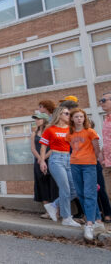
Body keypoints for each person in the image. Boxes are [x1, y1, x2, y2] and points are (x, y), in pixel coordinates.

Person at [39, 106, 81, 227]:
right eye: (66, 113)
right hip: (56, 160)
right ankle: (66, 217)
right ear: (59, 115)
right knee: (65, 189)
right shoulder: (50, 129)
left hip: (69, 159)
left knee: (75, 190)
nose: (69, 115)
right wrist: (42, 161)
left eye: (69, 114)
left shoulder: (71, 129)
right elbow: (43, 147)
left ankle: (53, 205)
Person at [67, 108, 104, 240]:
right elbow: (71, 148)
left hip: (89, 165)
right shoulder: (69, 134)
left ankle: (89, 223)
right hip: (74, 164)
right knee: (81, 193)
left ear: (84, 118)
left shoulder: (90, 131)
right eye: (76, 117)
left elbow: (97, 149)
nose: (79, 119)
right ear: (72, 119)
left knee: (90, 193)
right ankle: (97, 220)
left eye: (81, 117)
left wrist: (98, 161)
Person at [30, 112, 58, 218]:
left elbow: (53, 147)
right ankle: (48, 211)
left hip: (51, 160)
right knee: (42, 185)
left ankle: (56, 211)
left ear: (44, 120)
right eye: (35, 119)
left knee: (53, 185)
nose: (36, 121)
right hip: (38, 162)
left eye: (38, 119)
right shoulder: (34, 133)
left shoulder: (51, 132)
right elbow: (33, 148)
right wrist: (40, 159)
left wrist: (43, 158)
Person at [101, 92, 111, 207]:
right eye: (100, 101)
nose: (101, 103)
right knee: (109, 193)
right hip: (107, 162)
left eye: (104, 100)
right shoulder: (106, 119)